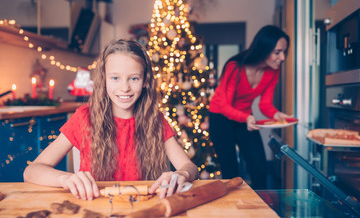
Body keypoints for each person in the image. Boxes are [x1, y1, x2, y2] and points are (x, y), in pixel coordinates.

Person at [24, 39, 198, 200]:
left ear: (145, 80)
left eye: (134, 78)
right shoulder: (84, 118)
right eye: (115, 78)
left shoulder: (156, 120)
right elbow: (31, 171)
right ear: (104, 80)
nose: (125, 88)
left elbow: (189, 167)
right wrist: (65, 179)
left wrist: (181, 174)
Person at [209, 25, 291, 189]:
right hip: (221, 117)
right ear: (264, 49)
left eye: (284, 52)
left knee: (259, 169)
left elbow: (265, 104)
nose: (282, 57)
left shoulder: (273, 71)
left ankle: (259, 210)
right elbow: (224, 105)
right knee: (231, 171)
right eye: (277, 52)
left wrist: (276, 115)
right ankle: (233, 210)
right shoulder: (235, 67)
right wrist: (246, 118)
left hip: (245, 117)